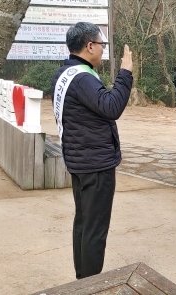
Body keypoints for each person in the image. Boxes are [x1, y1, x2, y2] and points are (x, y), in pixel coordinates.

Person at [51, 22, 133, 279]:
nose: (102, 50)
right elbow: (111, 107)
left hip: (80, 160)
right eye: (101, 45)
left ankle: (82, 281)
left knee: (84, 224)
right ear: (89, 46)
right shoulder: (82, 77)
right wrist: (125, 73)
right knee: (95, 228)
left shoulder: (64, 74)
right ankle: (90, 284)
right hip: (94, 164)